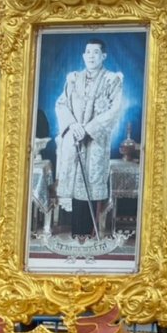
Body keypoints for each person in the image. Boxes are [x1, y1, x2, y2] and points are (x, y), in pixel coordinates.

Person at [54, 38, 124, 240]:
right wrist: (73, 125)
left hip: (95, 141)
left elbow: (115, 110)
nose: (91, 56)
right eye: (88, 52)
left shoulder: (112, 80)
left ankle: (92, 235)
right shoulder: (73, 79)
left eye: (96, 53)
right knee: (76, 184)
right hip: (74, 138)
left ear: (104, 56)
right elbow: (61, 104)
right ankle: (77, 235)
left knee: (92, 184)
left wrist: (88, 129)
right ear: (83, 56)